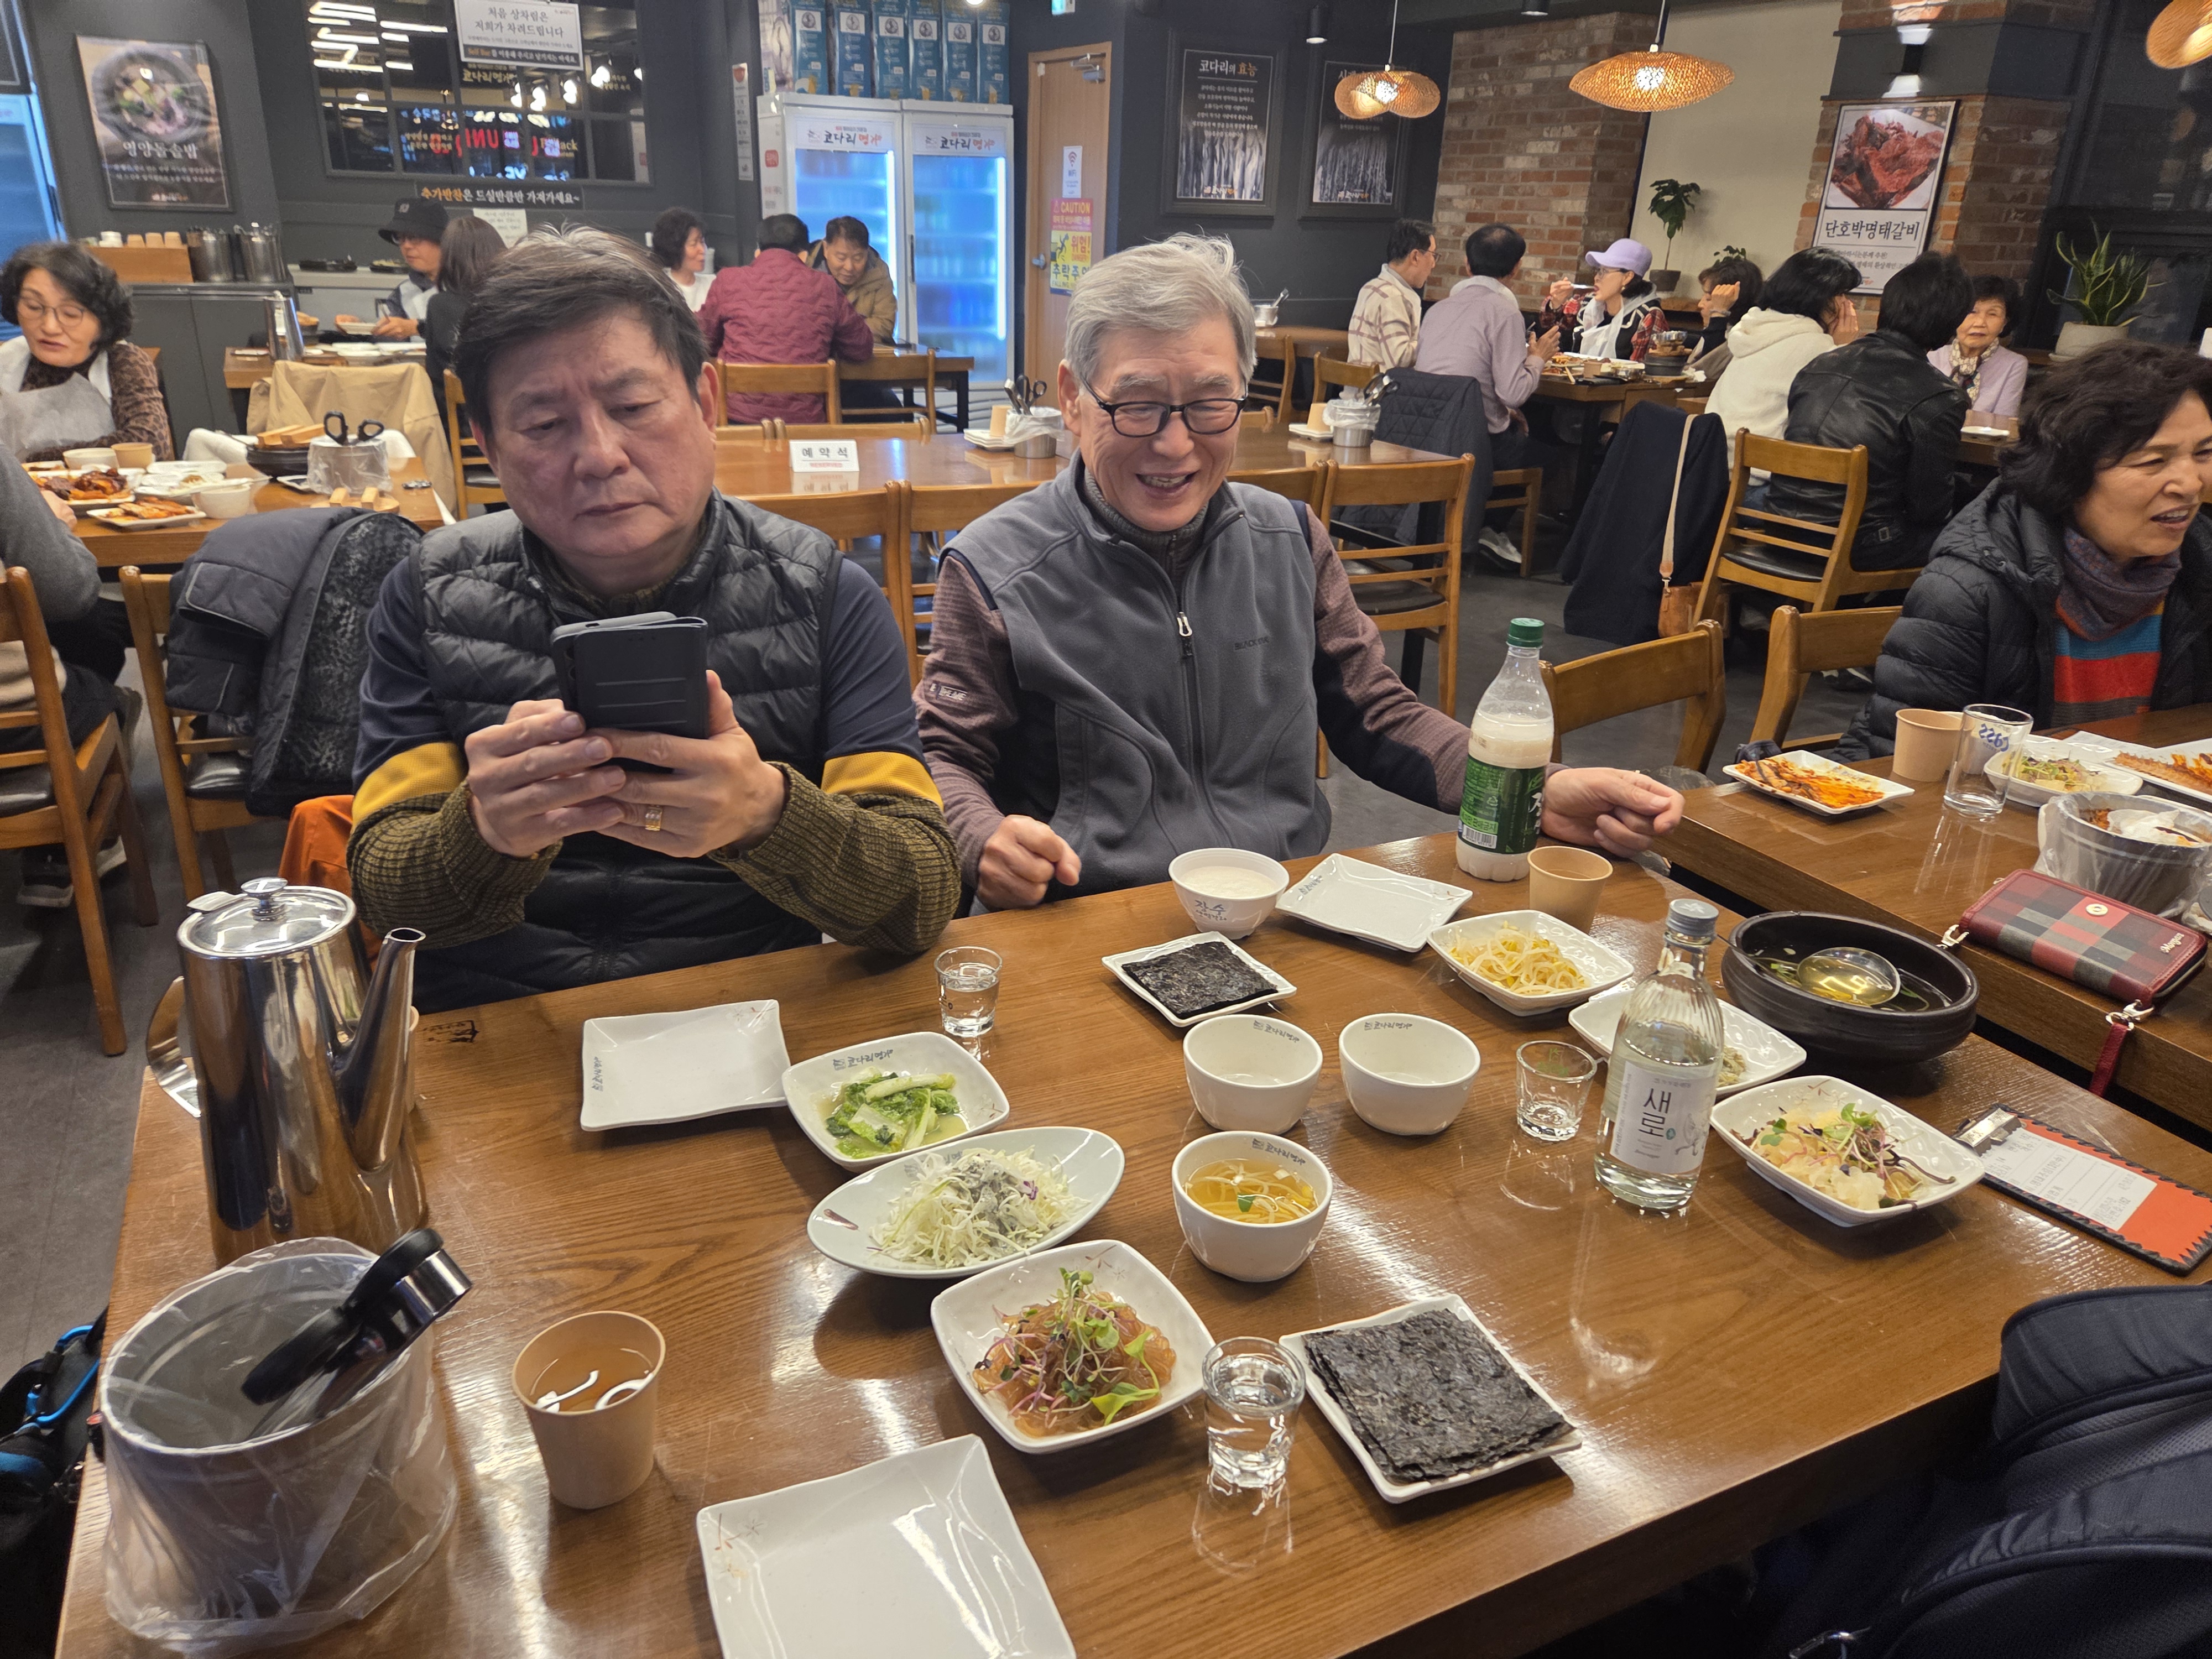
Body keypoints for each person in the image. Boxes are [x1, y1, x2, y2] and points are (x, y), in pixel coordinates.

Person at [914, 233, 1682, 910]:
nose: (1176, 445)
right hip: (1093, 922)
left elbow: (1376, 713)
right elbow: (942, 756)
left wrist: (1534, 791)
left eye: (1211, 403)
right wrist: (981, 839)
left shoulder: (1287, 538)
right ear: (1074, 399)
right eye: (1138, 405)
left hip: (1281, 909)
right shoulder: (994, 568)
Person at [347, 228, 960, 1011]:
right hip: (500, 1028)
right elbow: (386, 898)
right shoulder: (428, 593)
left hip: (744, 1021)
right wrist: (482, 832)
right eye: (544, 425)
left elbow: (920, 898)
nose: (600, 455)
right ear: (488, 446)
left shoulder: (825, 593)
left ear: (706, 402)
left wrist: (766, 815)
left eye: (633, 406)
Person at [1834, 342, 2212, 759]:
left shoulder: (2200, 567)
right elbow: (1907, 762)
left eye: (2205, 453)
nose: (2191, 483)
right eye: (2153, 461)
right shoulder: (1972, 589)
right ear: (2070, 472)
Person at [1764, 251, 1974, 572]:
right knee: (1972, 536)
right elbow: (1929, 509)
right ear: (1950, 327)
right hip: (1857, 546)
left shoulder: (1819, 364)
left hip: (1780, 528)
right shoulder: (1940, 397)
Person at [0, 457, 124, 908]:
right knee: (102, 676)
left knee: (95, 638)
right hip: (16, 725)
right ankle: (67, 839)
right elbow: (69, 593)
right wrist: (53, 525)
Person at [1, 242, 172, 464]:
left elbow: (149, 443)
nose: (50, 327)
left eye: (70, 314)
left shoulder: (121, 362)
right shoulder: (8, 361)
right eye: (33, 307)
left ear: (103, 320)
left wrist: (36, 461)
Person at [697, 213, 874, 425]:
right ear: (804, 256)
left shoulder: (728, 280)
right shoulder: (826, 286)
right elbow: (862, 348)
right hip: (805, 424)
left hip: (737, 420)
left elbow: (702, 339)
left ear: (758, 252)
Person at [1413, 223, 1563, 472]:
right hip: (1474, 443)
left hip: (1426, 434)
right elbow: (1513, 394)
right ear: (1516, 268)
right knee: (1552, 459)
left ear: (1467, 264)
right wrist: (1538, 358)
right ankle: (1486, 498)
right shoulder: (1506, 313)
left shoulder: (1437, 310)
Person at [1704, 247, 1863, 471]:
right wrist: (1840, 348)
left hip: (1713, 463)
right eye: (1842, 294)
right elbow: (1833, 414)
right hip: (1756, 474)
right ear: (1819, 296)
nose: (1847, 304)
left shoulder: (1755, 326)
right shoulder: (1814, 345)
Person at [422, 215, 508, 420]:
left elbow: (435, 375)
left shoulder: (440, 305)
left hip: (463, 426)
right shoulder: (514, 300)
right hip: (515, 419)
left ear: (449, 259)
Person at [336, 199, 447, 340]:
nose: (406, 246)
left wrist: (416, 328)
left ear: (442, 241)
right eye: (400, 238)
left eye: (414, 238)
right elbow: (390, 339)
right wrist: (359, 329)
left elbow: (466, 333)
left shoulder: (468, 285)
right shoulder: (405, 291)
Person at [1538, 239, 1662, 361]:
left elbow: (1642, 368)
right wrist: (1556, 303)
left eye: (1605, 272)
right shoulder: (1588, 303)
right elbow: (1552, 337)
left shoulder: (1647, 315)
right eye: (1599, 271)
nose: (1596, 278)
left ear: (1627, 277)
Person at [1929, 274, 2028, 419]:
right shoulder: (1931, 357)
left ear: (2004, 323)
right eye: (1972, 312)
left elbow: (2003, 423)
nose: (1980, 322)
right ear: (1955, 316)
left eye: (1992, 314)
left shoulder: (2014, 365)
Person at [1347, 218, 1436, 370]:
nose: (1434, 264)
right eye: (1433, 255)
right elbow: (1400, 360)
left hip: (1360, 383)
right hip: (1382, 385)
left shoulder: (1370, 287)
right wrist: (1435, 342)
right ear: (1415, 257)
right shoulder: (1393, 297)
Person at [807, 216, 898, 346]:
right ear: (826, 249)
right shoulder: (806, 268)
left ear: (867, 252)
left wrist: (834, 331)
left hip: (865, 354)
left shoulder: (878, 271)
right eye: (841, 258)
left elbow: (884, 326)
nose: (849, 267)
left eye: (858, 258)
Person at [1687, 254, 1764, 364]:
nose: (1700, 304)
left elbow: (1709, 367)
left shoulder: (1742, 339)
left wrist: (1719, 313)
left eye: (1708, 299)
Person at [650, 206, 712, 312]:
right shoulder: (662, 290)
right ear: (675, 249)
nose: (702, 250)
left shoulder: (713, 284)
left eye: (702, 242)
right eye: (694, 244)